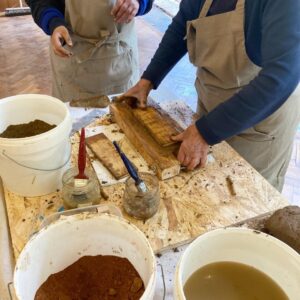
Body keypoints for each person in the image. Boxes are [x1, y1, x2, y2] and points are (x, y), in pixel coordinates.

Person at [120, 0, 300, 191]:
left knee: (243, 200)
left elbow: (282, 77)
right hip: (211, 108)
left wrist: (206, 132)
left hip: (257, 125)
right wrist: (149, 79)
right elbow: (183, 23)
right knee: (206, 189)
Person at [26, 0, 154, 103]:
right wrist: (53, 22)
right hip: (73, 53)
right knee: (76, 128)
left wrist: (139, 2)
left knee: (123, 120)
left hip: (120, 55)